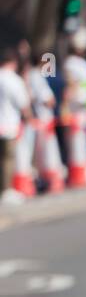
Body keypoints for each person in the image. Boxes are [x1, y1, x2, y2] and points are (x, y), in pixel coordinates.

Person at [0, 48, 32, 199]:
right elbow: (23, 103)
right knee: (8, 159)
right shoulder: (13, 79)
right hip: (8, 125)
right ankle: (6, 190)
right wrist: (29, 118)